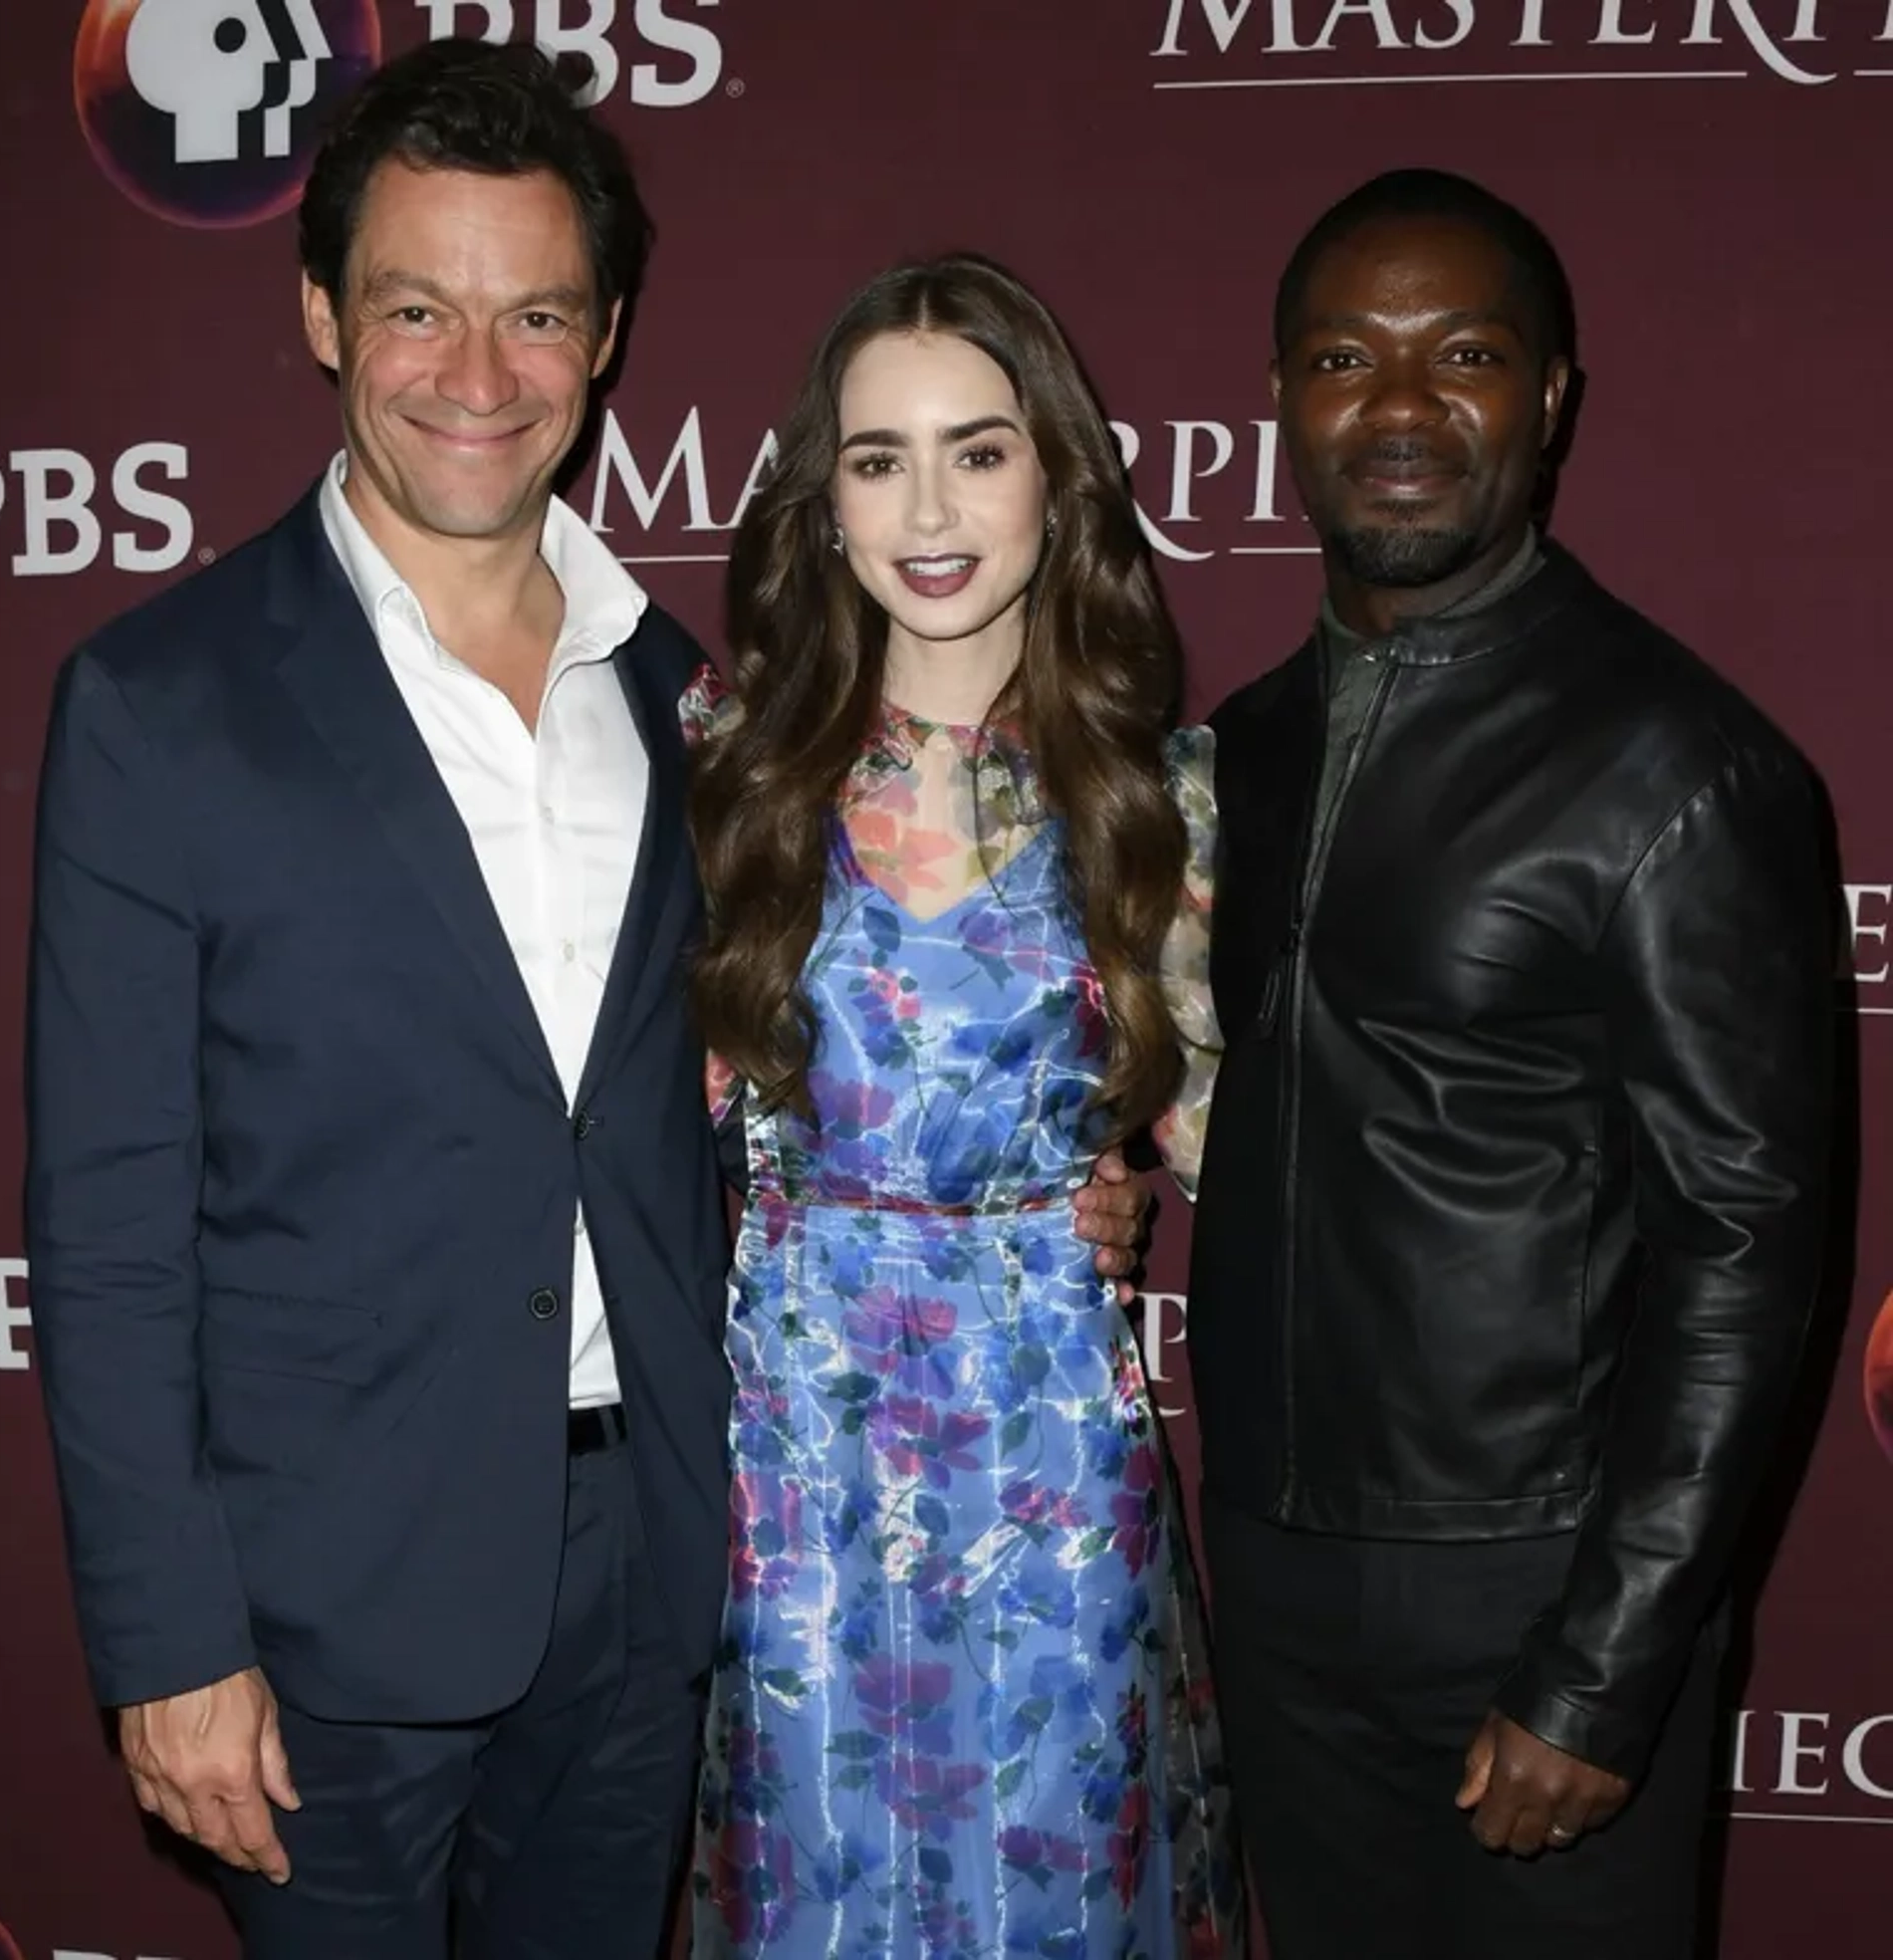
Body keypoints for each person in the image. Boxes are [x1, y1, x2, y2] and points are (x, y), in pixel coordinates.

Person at [23, 42, 1145, 1960]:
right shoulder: (161, 703)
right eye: (416, 309)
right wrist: (168, 1640)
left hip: (665, 1580)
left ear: (606, 334)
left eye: (536, 314)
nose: (479, 375)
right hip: (325, 1621)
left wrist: (1055, 1196)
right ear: (319, 317)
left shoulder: (699, 704)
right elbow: (109, 1227)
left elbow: (815, 1068)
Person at [1188, 167, 1835, 1960]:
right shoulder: (1232, 753)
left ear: (1550, 396)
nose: (1398, 409)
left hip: (1540, 1593)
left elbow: (1745, 1246)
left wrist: (1608, 1666)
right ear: (1282, 398)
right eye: (1342, 357)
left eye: (1462, 354)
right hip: (1276, 1578)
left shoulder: (1678, 769)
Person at [676, 254, 1244, 1958]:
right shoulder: (722, 767)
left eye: (978, 450)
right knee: (809, 1878)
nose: (928, 505)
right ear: (822, 500)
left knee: (1049, 1884)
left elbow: (1254, 1149)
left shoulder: (1160, 793)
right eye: (876, 458)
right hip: (792, 1436)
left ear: (1058, 482)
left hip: (1050, 1440)